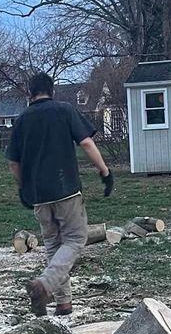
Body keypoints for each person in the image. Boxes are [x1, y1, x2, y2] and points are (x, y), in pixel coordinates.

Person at [6, 73, 114, 316]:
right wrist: (105, 172)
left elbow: (14, 163)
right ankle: (44, 285)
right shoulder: (64, 110)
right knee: (76, 239)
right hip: (66, 190)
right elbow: (86, 143)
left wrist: (23, 187)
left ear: (29, 93)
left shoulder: (22, 120)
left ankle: (63, 303)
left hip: (39, 195)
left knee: (54, 245)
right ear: (51, 90)